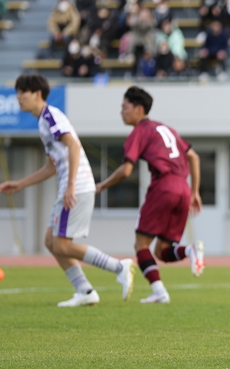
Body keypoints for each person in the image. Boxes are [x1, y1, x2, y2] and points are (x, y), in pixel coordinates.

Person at [0, 75, 135, 307]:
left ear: (37, 94)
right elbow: (51, 166)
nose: (18, 97)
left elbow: (72, 144)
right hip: (71, 186)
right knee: (50, 241)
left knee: (61, 244)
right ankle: (85, 291)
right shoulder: (42, 122)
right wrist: (20, 184)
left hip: (77, 186)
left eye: (23, 91)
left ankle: (119, 266)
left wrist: (71, 184)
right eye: (18, 92)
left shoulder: (51, 115)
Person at [95, 86, 205, 304]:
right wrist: (194, 192)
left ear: (138, 108)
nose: (121, 112)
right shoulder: (167, 129)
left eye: (124, 107)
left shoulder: (140, 131)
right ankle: (190, 250)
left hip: (163, 186)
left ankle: (160, 292)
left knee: (141, 246)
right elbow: (194, 157)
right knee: (162, 251)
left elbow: (126, 170)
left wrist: (102, 186)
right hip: (182, 188)